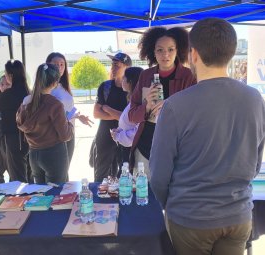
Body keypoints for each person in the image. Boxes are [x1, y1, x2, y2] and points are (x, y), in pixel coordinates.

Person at [149, 18, 265, 255]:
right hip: (238, 214)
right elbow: (255, 164)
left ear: (193, 54)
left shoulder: (175, 106)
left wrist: (167, 205)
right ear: (231, 52)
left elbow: (159, 173)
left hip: (191, 217)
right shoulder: (255, 99)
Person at [128, 26, 196, 177]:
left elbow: (196, 116)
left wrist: (171, 107)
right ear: (153, 51)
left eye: (171, 49)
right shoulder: (145, 76)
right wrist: (146, 107)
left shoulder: (189, 76)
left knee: (172, 197)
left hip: (177, 151)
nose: (165, 54)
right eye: (160, 50)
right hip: (145, 148)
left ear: (178, 50)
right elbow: (131, 116)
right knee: (143, 194)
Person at [16, 63, 74, 184]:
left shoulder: (26, 102)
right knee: (56, 195)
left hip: (33, 154)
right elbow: (65, 135)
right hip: (54, 154)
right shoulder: (54, 104)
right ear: (55, 82)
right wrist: (70, 124)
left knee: (41, 194)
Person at [46, 52, 93, 176]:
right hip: (55, 137)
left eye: (62, 64)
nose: (59, 67)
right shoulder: (47, 89)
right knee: (58, 175)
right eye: (56, 64)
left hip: (69, 133)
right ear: (48, 65)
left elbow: (68, 109)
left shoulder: (63, 86)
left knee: (64, 172)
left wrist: (78, 115)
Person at [0, 60, 31, 182]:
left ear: (11, 75)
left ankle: (22, 200)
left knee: (18, 176)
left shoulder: (9, 94)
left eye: (6, 74)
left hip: (14, 138)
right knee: (28, 173)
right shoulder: (28, 91)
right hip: (29, 137)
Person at [93, 52, 131, 182]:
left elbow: (130, 117)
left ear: (127, 67)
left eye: (117, 65)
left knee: (124, 172)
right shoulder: (105, 86)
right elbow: (96, 113)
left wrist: (107, 109)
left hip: (126, 136)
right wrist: (120, 116)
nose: (113, 68)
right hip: (105, 135)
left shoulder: (132, 89)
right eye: (112, 65)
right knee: (101, 173)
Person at [109, 67, 143, 166]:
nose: (122, 79)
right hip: (126, 149)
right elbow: (129, 124)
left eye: (124, 77)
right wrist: (119, 131)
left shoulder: (139, 102)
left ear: (130, 82)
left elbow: (137, 131)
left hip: (133, 151)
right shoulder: (133, 100)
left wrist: (118, 136)